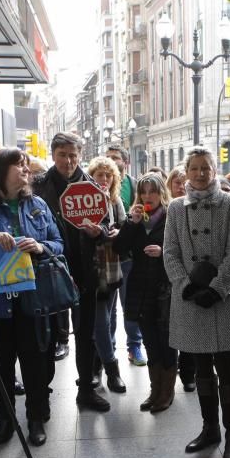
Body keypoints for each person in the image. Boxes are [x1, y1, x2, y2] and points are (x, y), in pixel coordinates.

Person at [0, 148, 64, 446]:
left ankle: (35, 418)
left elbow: (58, 244)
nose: (26, 171)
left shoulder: (38, 204)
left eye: (27, 166)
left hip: (33, 297)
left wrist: (41, 247)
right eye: (19, 166)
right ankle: (6, 419)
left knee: (35, 362)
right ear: (1, 172)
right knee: (0, 364)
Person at [164, 146, 230, 458]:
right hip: (189, 300)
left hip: (223, 299)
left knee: (226, 367)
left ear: (215, 170)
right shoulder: (175, 208)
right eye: (195, 168)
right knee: (201, 367)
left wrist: (217, 289)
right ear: (186, 172)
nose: (201, 173)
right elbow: (170, 252)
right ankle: (209, 428)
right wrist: (185, 286)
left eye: (207, 167)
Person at [32, 132, 111, 413]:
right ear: (53, 155)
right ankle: (41, 396)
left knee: (86, 333)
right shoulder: (38, 185)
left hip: (85, 271)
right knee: (48, 336)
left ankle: (86, 389)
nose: (68, 160)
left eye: (73, 155)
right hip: (49, 271)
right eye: (63, 154)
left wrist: (97, 231)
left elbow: (107, 224)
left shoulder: (91, 185)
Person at [115, 173, 177, 412]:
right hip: (141, 287)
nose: (148, 196)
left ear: (162, 192)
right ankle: (155, 390)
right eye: (144, 192)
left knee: (166, 340)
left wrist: (163, 252)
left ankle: (167, 392)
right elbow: (119, 248)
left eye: (152, 191)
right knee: (150, 339)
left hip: (165, 287)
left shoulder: (172, 215)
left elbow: (184, 248)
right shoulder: (137, 218)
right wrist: (131, 223)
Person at [86, 156, 128, 394]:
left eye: (108, 175)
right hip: (92, 267)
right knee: (100, 320)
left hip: (112, 264)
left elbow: (124, 228)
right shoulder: (84, 198)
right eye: (99, 174)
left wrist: (118, 233)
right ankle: (113, 370)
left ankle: (96, 367)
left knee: (110, 318)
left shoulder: (115, 201)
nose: (104, 179)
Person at [105, 143, 146, 367]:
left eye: (116, 158)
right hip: (106, 260)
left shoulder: (135, 186)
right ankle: (108, 352)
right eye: (108, 157)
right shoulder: (96, 187)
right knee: (108, 310)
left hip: (130, 257)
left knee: (130, 304)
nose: (112, 161)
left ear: (125, 162)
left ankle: (135, 346)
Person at [166, 164, 195, 392]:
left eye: (185, 181)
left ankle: (187, 373)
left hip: (193, 280)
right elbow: (170, 250)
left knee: (189, 329)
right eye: (177, 181)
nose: (181, 186)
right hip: (171, 278)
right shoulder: (170, 208)